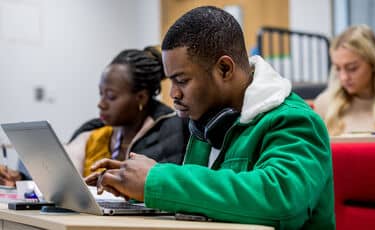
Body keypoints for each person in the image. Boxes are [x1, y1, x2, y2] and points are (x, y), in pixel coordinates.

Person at [86, 6, 334, 229]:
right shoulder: (208, 122)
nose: (173, 93)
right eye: (171, 81)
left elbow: (282, 198)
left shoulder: (295, 121)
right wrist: (133, 188)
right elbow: (202, 205)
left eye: (182, 80)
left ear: (224, 69)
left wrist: (158, 180)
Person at [66, 46, 188, 176]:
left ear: (141, 97)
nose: (101, 104)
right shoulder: (91, 132)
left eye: (111, 96)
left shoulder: (173, 131)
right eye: (101, 94)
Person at [314, 24, 375, 136]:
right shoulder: (323, 104)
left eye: (352, 68)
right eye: (338, 69)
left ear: (373, 64)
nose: (343, 77)